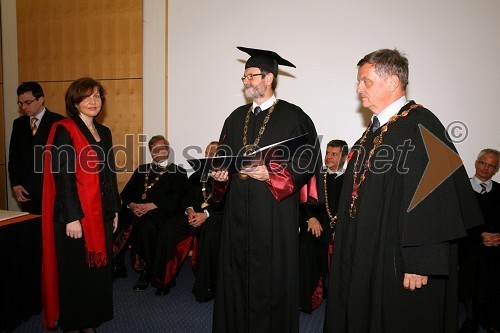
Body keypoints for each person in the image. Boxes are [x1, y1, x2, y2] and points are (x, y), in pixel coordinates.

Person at [323, 49, 484, 333]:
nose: (359, 89)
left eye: (366, 81)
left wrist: (422, 260)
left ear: (393, 82)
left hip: (399, 259)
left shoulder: (421, 123)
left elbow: (435, 196)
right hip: (367, 249)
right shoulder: (373, 131)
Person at [211, 46, 321, 332]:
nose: (246, 81)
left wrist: (271, 174)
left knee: (271, 275)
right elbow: (224, 157)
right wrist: (220, 177)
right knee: (237, 274)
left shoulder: (293, 116)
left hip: (273, 211)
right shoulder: (234, 118)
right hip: (237, 212)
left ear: (269, 78)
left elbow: (308, 159)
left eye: (252, 76)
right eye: (244, 76)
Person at [41, 77, 121, 332]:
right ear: (74, 102)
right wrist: (73, 217)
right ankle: (75, 323)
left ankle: (91, 319)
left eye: (97, 96)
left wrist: (115, 209)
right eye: (86, 96)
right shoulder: (64, 129)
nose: (93, 101)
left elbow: (109, 174)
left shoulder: (104, 132)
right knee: (75, 275)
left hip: (102, 213)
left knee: (96, 273)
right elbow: (63, 177)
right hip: (74, 217)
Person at [117, 135, 188, 294]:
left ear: (168, 150)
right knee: (115, 221)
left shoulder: (178, 171)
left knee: (147, 225)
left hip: (161, 212)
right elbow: (126, 193)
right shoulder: (141, 169)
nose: (158, 152)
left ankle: (147, 270)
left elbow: (177, 199)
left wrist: (151, 206)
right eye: (154, 149)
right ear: (150, 152)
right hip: (136, 210)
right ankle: (116, 266)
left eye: (161, 148)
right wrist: (133, 205)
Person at [298, 139, 347, 314]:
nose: (328, 157)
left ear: (344, 157)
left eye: (334, 154)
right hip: (317, 225)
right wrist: (310, 218)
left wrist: (340, 229)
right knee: (304, 245)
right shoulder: (316, 177)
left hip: (343, 228)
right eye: (327, 153)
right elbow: (303, 202)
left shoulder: (351, 180)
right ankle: (307, 298)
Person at [459, 149, 500, 333]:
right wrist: (479, 235)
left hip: (496, 244)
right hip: (467, 243)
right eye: (483, 163)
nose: (486, 168)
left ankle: (490, 317)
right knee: (475, 261)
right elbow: (456, 220)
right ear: (476, 163)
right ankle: (472, 318)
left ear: (496, 170)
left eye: (491, 165)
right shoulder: (461, 189)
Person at [9, 82, 65, 214]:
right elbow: (14, 157)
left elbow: (64, 161)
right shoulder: (18, 124)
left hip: (52, 190)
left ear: (41, 99)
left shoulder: (59, 122)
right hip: (27, 192)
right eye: (20, 103)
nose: (24, 107)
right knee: (31, 232)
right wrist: (15, 184)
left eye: (28, 102)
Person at [186, 141, 225, 303]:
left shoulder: (226, 177)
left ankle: (207, 285)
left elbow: (225, 204)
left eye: (214, 152)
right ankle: (161, 280)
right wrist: (190, 211)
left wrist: (206, 215)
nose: (210, 155)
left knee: (210, 231)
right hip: (192, 215)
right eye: (208, 152)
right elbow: (185, 198)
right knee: (169, 229)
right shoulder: (196, 176)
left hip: (216, 216)